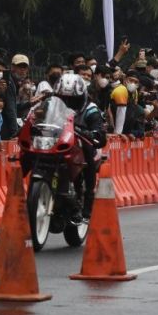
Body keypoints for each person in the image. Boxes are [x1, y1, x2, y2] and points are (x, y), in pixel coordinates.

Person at [54, 74, 107, 224]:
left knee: (88, 152)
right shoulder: (51, 105)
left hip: (83, 146)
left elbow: (99, 135)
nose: (67, 103)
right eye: (63, 99)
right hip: (57, 144)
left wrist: (88, 133)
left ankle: (87, 207)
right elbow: (37, 116)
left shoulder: (91, 110)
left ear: (82, 96)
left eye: (73, 99)